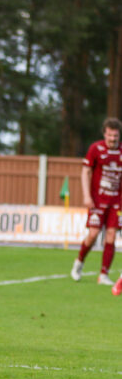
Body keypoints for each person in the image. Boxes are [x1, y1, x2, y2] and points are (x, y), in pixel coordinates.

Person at [70, 118, 122, 286]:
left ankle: (103, 274)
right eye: (110, 135)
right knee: (93, 234)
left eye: (115, 136)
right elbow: (85, 172)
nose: (112, 139)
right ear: (104, 134)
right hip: (98, 200)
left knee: (111, 235)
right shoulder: (95, 149)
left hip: (117, 201)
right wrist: (87, 196)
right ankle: (79, 262)